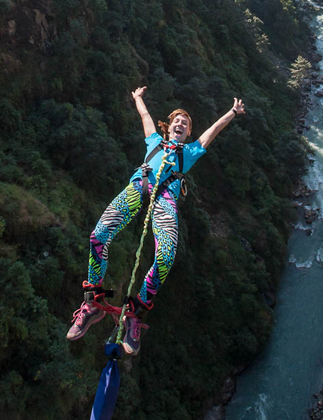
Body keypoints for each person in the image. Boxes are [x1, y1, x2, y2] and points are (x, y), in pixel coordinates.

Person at [67, 86, 245, 355]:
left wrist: (232, 112)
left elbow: (213, 131)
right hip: (138, 188)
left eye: (185, 124)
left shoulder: (189, 153)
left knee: (166, 255)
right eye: (177, 121)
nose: (180, 124)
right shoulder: (153, 141)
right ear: (169, 127)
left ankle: (135, 314)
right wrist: (138, 98)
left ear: (187, 133)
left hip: (164, 200)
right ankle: (93, 303)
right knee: (98, 236)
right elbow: (145, 116)